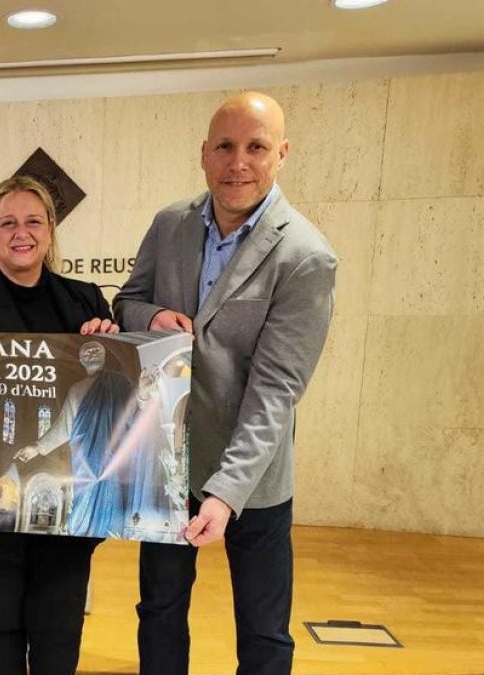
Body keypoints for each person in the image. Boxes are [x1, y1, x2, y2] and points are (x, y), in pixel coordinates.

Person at [113, 91, 337, 675]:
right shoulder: (170, 224)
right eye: (226, 146)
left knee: (263, 631)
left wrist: (226, 491)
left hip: (253, 480)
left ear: (281, 154)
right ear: (204, 155)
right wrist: (151, 318)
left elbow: (277, 391)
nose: (239, 162)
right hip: (167, 461)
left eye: (256, 147)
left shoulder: (306, 257)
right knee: (159, 608)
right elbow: (128, 301)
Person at [0, 175, 119, 675]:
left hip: (70, 497)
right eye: (8, 222)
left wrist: (111, 346)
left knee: (60, 630)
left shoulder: (87, 303)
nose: (22, 232)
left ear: (51, 230)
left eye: (33, 220)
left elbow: (112, 392)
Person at [14, 340, 137, 538]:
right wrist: (36, 448)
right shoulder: (76, 389)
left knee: (111, 493)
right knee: (84, 497)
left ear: (104, 355)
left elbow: (133, 414)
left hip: (111, 453)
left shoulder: (119, 384)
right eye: (86, 352)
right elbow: (64, 427)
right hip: (84, 455)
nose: (91, 354)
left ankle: (111, 534)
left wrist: (145, 394)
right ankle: (81, 532)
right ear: (80, 360)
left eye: (96, 350)